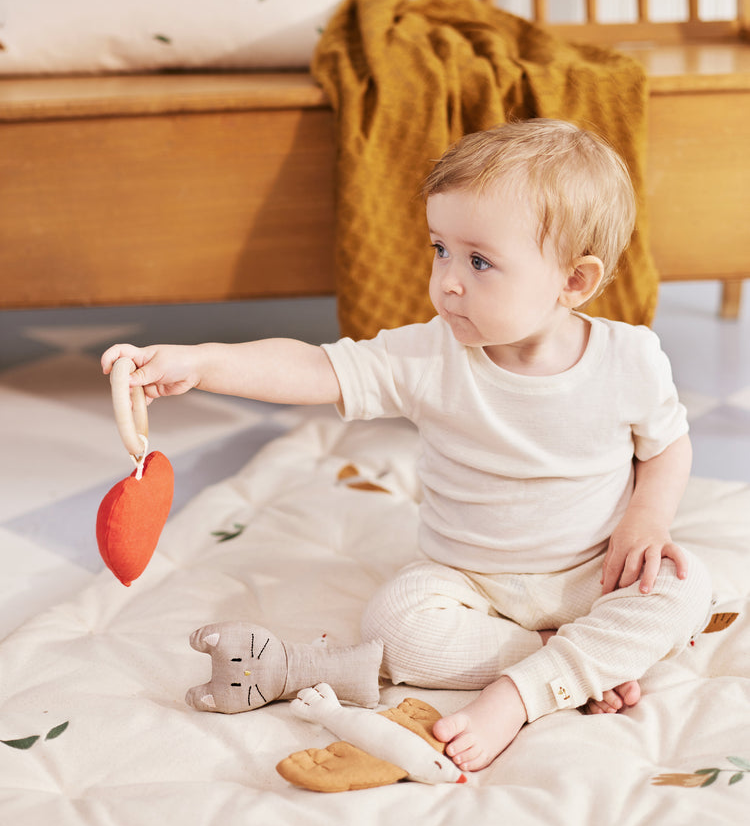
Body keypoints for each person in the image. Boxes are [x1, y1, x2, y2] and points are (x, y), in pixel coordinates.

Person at [102, 119, 713, 772]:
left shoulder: (629, 359)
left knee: (685, 586)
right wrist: (201, 362)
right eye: (440, 249)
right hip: (468, 580)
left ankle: (518, 694)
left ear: (574, 282)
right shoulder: (430, 354)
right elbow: (315, 368)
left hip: (595, 569)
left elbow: (667, 447)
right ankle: (569, 660)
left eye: (479, 261)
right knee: (393, 628)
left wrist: (647, 520)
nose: (448, 280)